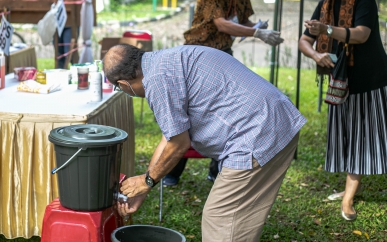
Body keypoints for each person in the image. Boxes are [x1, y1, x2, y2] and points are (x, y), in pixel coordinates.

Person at [104, 44, 306, 241]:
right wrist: (147, 183)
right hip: (279, 119)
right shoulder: (166, 61)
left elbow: (179, 144)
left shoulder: (156, 81)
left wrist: (147, 181)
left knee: (220, 218)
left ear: (123, 84)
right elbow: (169, 137)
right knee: (240, 218)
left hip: (256, 133)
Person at [166, 0, 284, 186]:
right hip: (199, 53)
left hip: (223, 52)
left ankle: (217, 168)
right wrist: (256, 33)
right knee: (191, 110)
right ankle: (172, 171)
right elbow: (221, 23)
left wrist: (263, 31)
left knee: (226, 108)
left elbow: (244, 21)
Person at [298, 0, 387, 221]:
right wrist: (316, 54)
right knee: (346, 136)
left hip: (369, 79)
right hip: (340, 82)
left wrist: (327, 30)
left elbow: (361, 34)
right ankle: (349, 186)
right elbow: (303, 40)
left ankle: (348, 198)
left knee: (362, 138)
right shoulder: (324, 3)